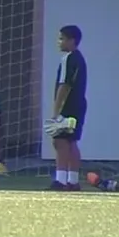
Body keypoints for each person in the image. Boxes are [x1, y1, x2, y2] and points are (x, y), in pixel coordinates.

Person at [45, 25, 87, 191]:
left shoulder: (68, 59)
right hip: (79, 105)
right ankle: (73, 180)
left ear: (72, 40)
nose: (59, 42)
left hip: (68, 106)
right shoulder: (80, 58)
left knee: (60, 141)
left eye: (62, 38)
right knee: (72, 142)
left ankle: (61, 180)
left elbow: (65, 85)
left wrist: (56, 112)